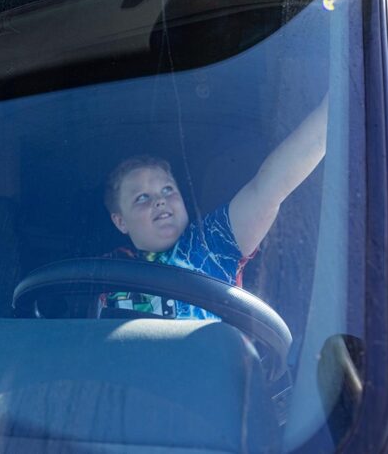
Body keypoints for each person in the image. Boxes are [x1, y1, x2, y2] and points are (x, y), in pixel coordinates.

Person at [101, 97, 328, 318]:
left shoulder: (211, 241)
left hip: (213, 356)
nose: (160, 200)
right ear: (120, 221)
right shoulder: (104, 272)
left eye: (168, 190)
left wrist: (330, 110)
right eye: (142, 197)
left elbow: (267, 190)